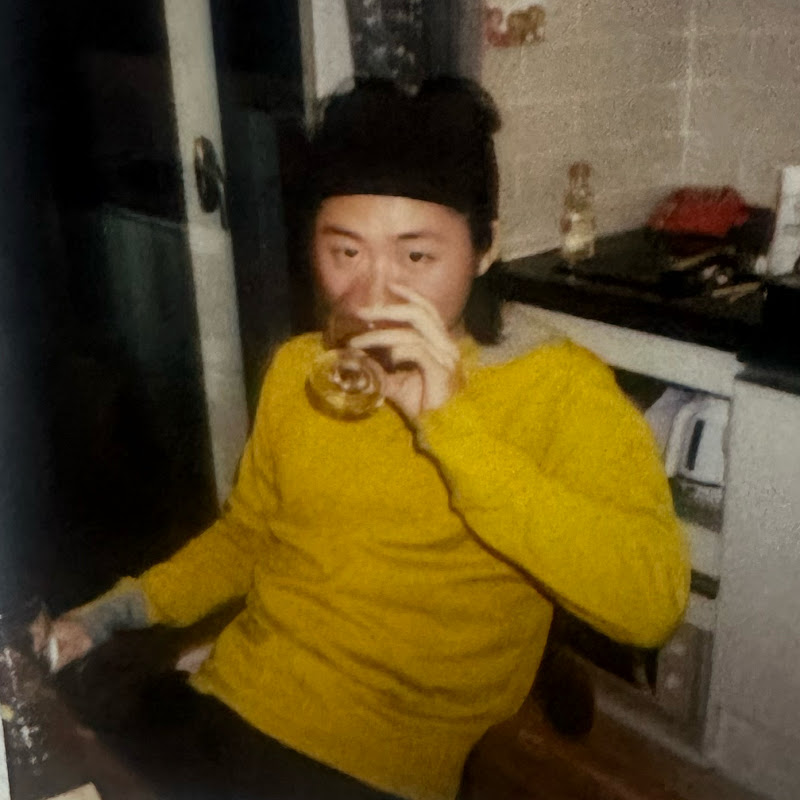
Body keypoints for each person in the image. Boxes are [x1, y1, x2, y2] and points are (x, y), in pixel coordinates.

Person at [35, 77, 689, 800]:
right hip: (226, 709)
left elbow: (651, 604)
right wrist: (107, 615)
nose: (374, 295)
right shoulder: (299, 369)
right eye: (345, 252)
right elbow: (247, 539)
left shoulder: (559, 389)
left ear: (485, 248)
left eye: (416, 258)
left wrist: (451, 426)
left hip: (372, 767)